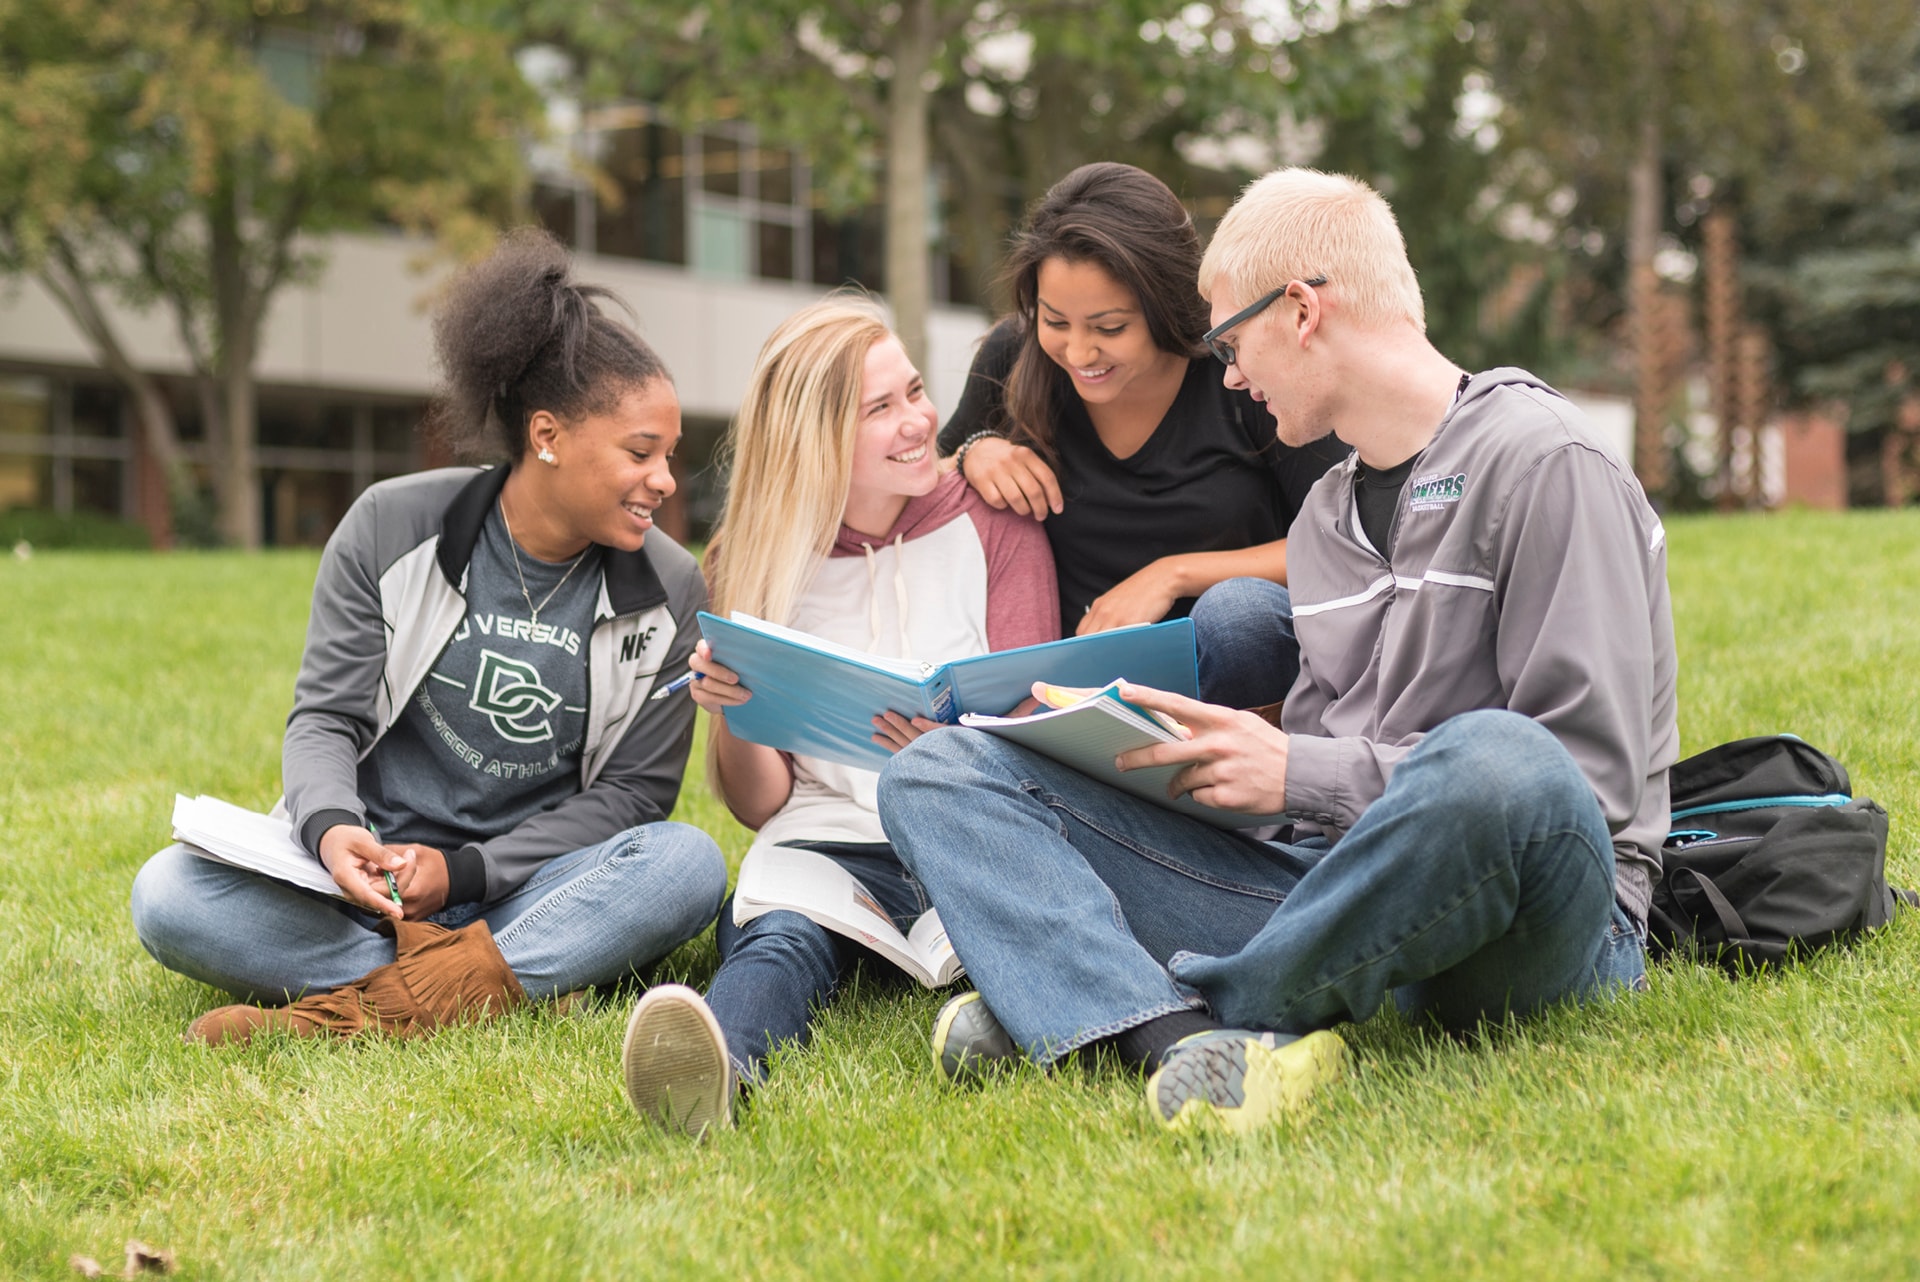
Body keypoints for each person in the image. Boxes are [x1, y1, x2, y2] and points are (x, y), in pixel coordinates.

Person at [877, 167, 1678, 1134]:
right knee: (941, 772)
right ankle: (1175, 1043)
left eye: (1230, 340)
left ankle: (1189, 1003)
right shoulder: (1328, 517)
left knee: (1502, 758)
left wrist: (1299, 770)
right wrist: (1186, 762)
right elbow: (1314, 773)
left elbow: (1577, 792)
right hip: (1327, 891)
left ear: (1300, 311)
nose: (1227, 375)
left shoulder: (1548, 463)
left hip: (1527, 926)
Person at [130, 229, 728, 1044]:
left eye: (671, 454)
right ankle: (502, 979)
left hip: (531, 886)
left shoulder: (670, 588)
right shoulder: (390, 525)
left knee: (686, 865)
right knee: (167, 894)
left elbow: (632, 801)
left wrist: (466, 872)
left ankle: (362, 1010)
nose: (665, 480)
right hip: (366, 892)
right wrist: (333, 830)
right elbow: (325, 720)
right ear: (547, 437)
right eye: (641, 452)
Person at [619, 296, 1058, 1137]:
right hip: (826, 840)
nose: (919, 421)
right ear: (817, 442)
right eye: (881, 409)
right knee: (779, 938)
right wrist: (733, 714)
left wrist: (958, 755)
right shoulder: (752, 557)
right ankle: (718, 1069)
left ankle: (996, 1017)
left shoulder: (994, 521)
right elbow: (758, 803)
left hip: (970, 828)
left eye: (916, 392)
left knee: (1013, 928)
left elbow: (1032, 722)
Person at [939, 161, 1348, 709]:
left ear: (1165, 305)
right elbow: (922, 489)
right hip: (1071, 695)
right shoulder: (1014, 356)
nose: (1079, 354)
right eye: (1055, 321)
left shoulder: (1242, 370)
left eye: (1110, 328)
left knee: (1238, 612)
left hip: (1239, 688)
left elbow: (1346, 541)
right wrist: (975, 450)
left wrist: (1173, 576)